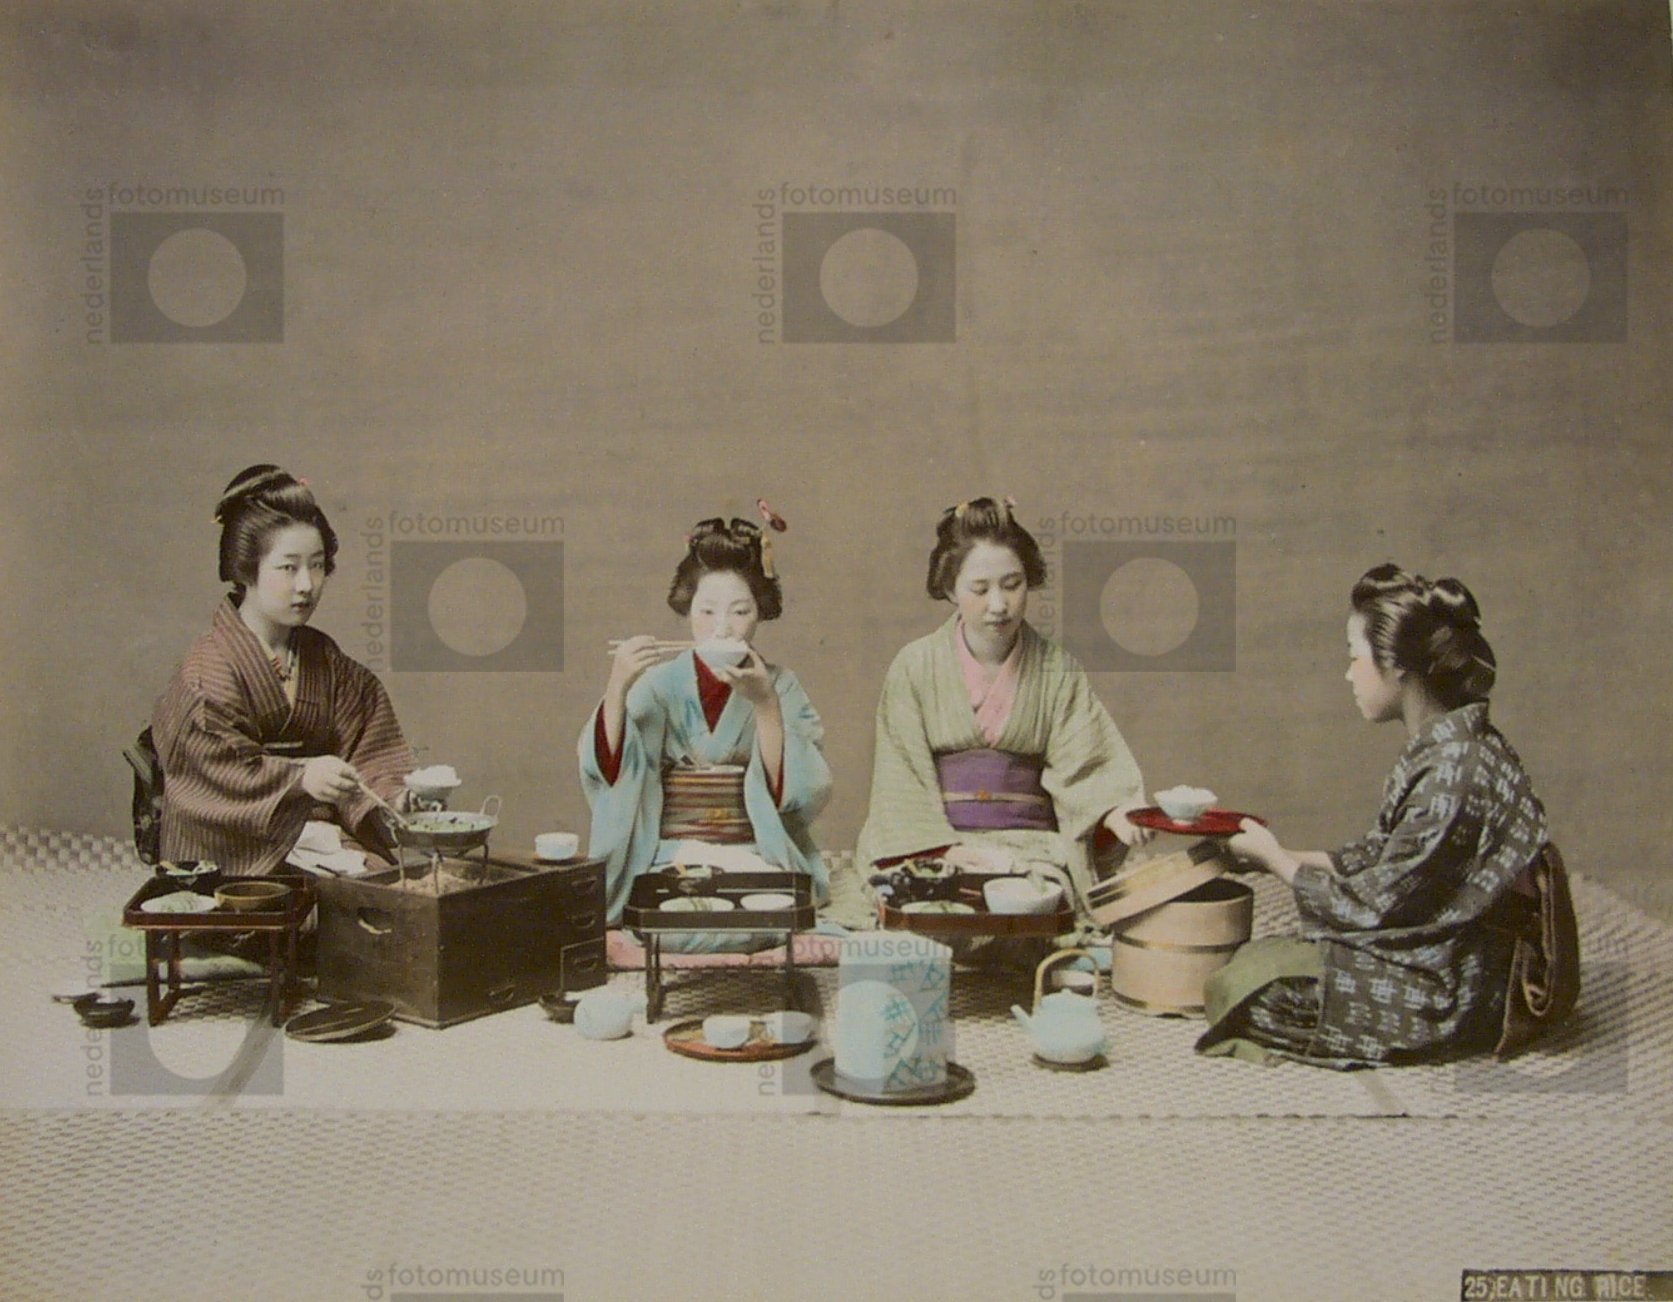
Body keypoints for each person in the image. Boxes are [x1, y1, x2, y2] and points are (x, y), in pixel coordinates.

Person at [1199, 563, 1556, 1067]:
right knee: (1256, 961)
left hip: (1465, 978)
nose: (1348, 675)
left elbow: (1379, 905)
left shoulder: (1455, 770)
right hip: (1449, 944)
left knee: (1253, 987)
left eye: (1354, 658)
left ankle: (1453, 1030)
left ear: (1397, 666)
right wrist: (1270, 855)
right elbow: (1386, 856)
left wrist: (1278, 863)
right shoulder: (1450, 744)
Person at [855, 496, 1153, 921]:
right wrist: (946, 849)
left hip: (1029, 849)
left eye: (1012, 585)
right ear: (950, 589)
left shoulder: (1056, 669)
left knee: (1029, 910)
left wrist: (1113, 813)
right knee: (923, 907)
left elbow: (1089, 768)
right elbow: (900, 780)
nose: (998, 604)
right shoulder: (915, 665)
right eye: (980, 589)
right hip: (937, 843)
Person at [579, 510, 830, 953]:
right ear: (688, 610)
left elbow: (803, 792)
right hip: (671, 853)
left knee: (760, 921)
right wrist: (617, 686)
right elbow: (612, 771)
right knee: (674, 921)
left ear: (760, 612)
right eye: (707, 610)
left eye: (740, 611)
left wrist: (765, 704)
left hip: (753, 850)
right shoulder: (658, 684)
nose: (722, 627)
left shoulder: (781, 685)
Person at [151, 466, 416, 877]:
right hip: (232, 850)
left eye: (317, 565)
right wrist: (300, 778)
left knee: (386, 887)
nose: (307, 584)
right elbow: (212, 779)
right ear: (246, 569)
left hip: (317, 838)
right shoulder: (208, 672)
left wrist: (397, 800)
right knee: (324, 904)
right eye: (288, 568)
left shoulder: (326, 661)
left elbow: (370, 751)